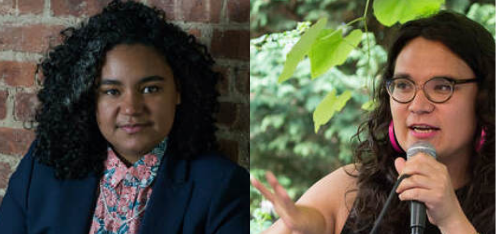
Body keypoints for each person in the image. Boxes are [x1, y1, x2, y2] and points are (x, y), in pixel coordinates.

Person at [0, 1, 249, 233]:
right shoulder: (43, 165)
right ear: (90, 98)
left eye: (150, 89)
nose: (131, 108)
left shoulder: (221, 187)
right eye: (111, 91)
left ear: (179, 91)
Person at [251, 11, 495, 234]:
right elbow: (312, 220)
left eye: (442, 86)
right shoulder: (352, 184)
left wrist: (451, 220)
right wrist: (302, 226)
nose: (418, 105)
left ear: (484, 97)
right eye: (403, 85)